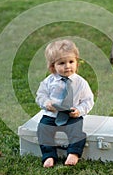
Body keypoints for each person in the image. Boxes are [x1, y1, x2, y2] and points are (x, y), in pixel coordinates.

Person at [36, 39, 94, 168]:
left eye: (71, 62)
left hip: (71, 116)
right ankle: (49, 155)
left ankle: (73, 153)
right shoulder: (49, 82)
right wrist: (46, 103)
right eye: (62, 63)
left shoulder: (81, 83)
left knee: (77, 132)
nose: (67, 66)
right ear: (53, 67)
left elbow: (88, 101)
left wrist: (79, 110)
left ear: (76, 62)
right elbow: (41, 95)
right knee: (43, 130)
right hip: (52, 115)